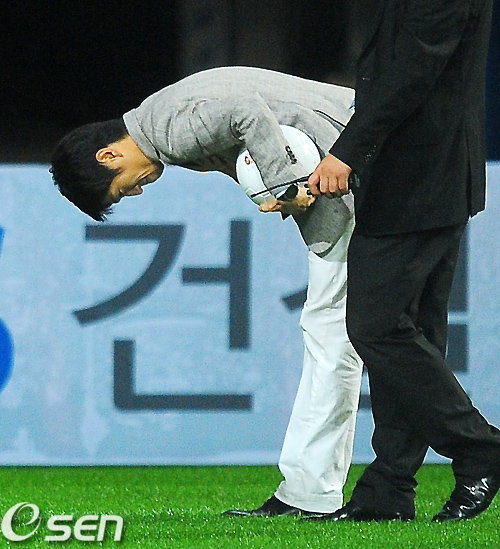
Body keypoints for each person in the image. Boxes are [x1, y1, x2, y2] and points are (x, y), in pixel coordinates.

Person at [50, 66, 364, 517]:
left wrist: (283, 184)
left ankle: (313, 492)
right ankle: (342, 486)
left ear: (108, 155)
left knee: (333, 337)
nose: (135, 193)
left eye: (120, 191)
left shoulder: (169, 130)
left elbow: (245, 112)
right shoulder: (160, 118)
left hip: (356, 157)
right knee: (363, 334)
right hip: (363, 144)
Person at [306, 0, 500, 523]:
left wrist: (347, 151)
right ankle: (388, 489)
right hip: (429, 177)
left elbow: (410, 73)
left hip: (419, 179)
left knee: (376, 325)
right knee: (414, 332)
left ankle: (479, 448)